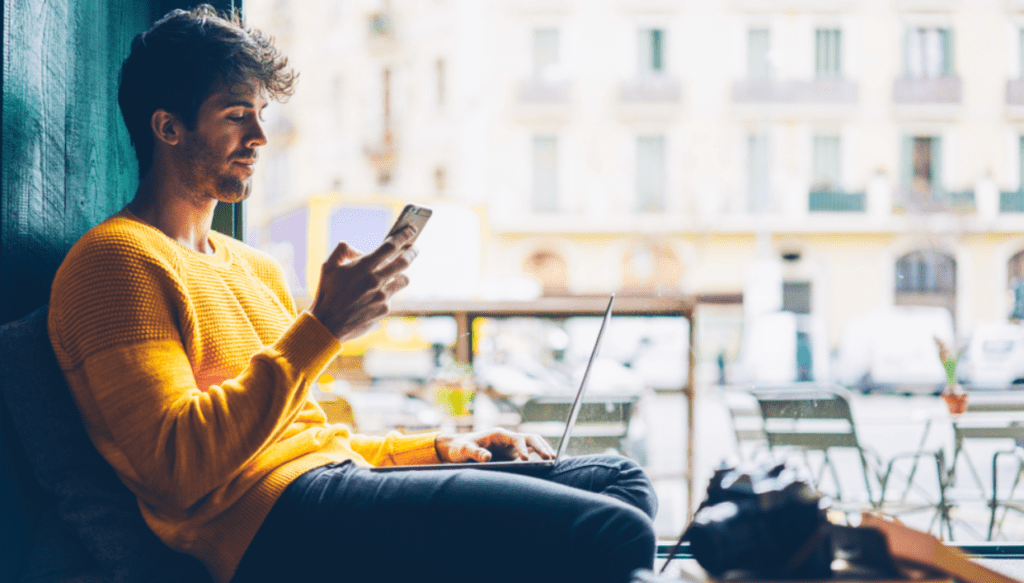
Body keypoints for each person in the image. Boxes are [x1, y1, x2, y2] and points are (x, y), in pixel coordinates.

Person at [47, 6, 658, 583]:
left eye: (261, 114)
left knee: (620, 482)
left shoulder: (252, 267)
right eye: (236, 114)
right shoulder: (117, 259)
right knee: (614, 530)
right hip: (269, 527)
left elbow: (314, 438)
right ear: (168, 127)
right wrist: (323, 327)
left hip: (325, 486)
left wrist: (439, 447)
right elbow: (178, 468)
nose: (260, 135)